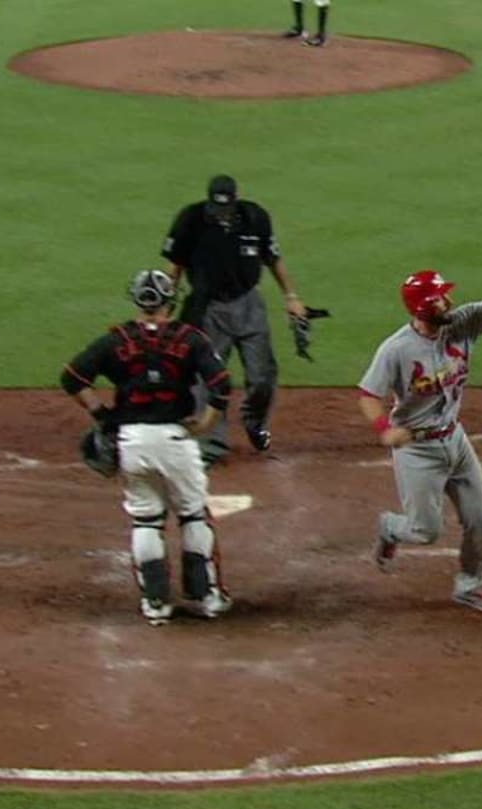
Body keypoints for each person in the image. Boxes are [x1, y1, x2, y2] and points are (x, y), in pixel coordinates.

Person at [357, 253, 482, 614]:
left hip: (455, 441)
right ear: (425, 307)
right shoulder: (396, 350)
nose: (450, 301)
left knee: (480, 516)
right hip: (418, 450)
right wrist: (385, 429)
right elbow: (368, 395)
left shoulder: (460, 324)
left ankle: (470, 586)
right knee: (424, 532)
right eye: (442, 298)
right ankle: (390, 528)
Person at [60, 269, 235, 626]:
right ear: (170, 300)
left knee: (146, 519)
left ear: (139, 300)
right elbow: (221, 385)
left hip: (132, 442)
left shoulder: (116, 339)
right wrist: (204, 423)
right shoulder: (191, 339)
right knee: (192, 515)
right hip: (175, 439)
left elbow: (73, 378)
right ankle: (205, 598)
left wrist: (103, 415)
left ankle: (156, 604)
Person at [162, 174, 308, 466]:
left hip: (248, 302)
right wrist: (163, 308)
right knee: (208, 378)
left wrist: (291, 297)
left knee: (263, 375)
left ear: (235, 198)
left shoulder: (255, 217)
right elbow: (175, 266)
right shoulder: (191, 220)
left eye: (226, 208)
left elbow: (273, 259)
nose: (221, 214)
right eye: (216, 209)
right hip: (208, 307)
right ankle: (211, 443)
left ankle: (255, 422)